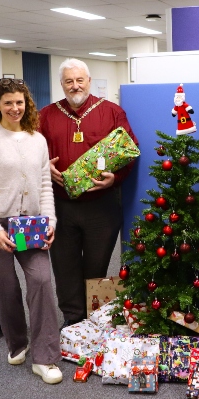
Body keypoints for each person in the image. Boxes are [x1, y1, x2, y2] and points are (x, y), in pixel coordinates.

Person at [0, 78, 62, 384]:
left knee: (41, 280)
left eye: (19, 102)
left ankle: (45, 357)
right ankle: (17, 342)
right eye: (7, 102)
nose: (14, 108)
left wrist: (50, 220)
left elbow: (44, 184)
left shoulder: (37, 139)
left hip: (30, 224)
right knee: (6, 289)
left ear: (27, 104)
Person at [39, 58, 138, 329]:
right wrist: (43, 166)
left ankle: (93, 318)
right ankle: (72, 320)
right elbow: (30, 152)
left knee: (96, 265)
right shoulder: (45, 115)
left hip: (101, 206)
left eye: (79, 80)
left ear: (89, 81)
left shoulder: (112, 112)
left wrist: (113, 179)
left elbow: (130, 151)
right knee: (65, 265)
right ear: (61, 84)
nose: (75, 86)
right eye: (69, 81)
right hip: (60, 204)